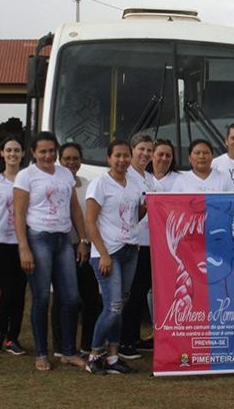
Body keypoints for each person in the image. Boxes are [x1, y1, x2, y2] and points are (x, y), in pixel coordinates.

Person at [13, 131, 88, 372]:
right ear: (33, 152)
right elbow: (18, 214)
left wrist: (82, 239)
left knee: (71, 298)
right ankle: (42, 353)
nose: (48, 156)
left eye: (51, 151)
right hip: (38, 239)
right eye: (43, 151)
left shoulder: (65, 174)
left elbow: (75, 209)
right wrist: (24, 247)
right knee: (42, 298)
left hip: (63, 240)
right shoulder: (26, 176)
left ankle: (68, 351)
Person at [84, 139, 146, 375]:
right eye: (117, 156)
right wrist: (103, 254)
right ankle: (94, 356)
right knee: (114, 307)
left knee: (121, 305)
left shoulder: (135, 183)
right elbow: (90, 221)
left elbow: (134, 216)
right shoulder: (100, 183)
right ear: (108, 158)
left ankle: (112, 356)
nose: (122, 160)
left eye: (126, 155)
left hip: (130, 250)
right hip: (108, 253)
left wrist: (148, 205)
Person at [0, 137, 27, 356]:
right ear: (2, 153)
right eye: (8, 150)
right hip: (0, 244)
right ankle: (0, 332)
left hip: (23, 244)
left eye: (17, 150)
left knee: (20, 291)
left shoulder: (28, 179)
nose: (12, 154)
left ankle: (13, 337)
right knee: (8, 290)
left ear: (23, 153)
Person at [53, 142, 99, 355]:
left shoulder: (89, 185)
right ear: (60, 160)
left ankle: (87, 345)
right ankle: (61, 346)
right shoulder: (55, 184)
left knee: (91, 298)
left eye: (75, 158)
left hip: (86, 247)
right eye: (67, 159)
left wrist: (86, 242)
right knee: (62, 298)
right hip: (62, 247)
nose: (71, 162)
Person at [120, 134, 158, 360]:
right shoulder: (126, 176)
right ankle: (124, 341)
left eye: (149, 150)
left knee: (141, 292)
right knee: (131, 294)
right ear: (132, 149)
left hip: (149, 243)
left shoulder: (150, 178)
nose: (145, 154)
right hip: (132, 243)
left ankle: (134, 337)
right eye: (141, 149)